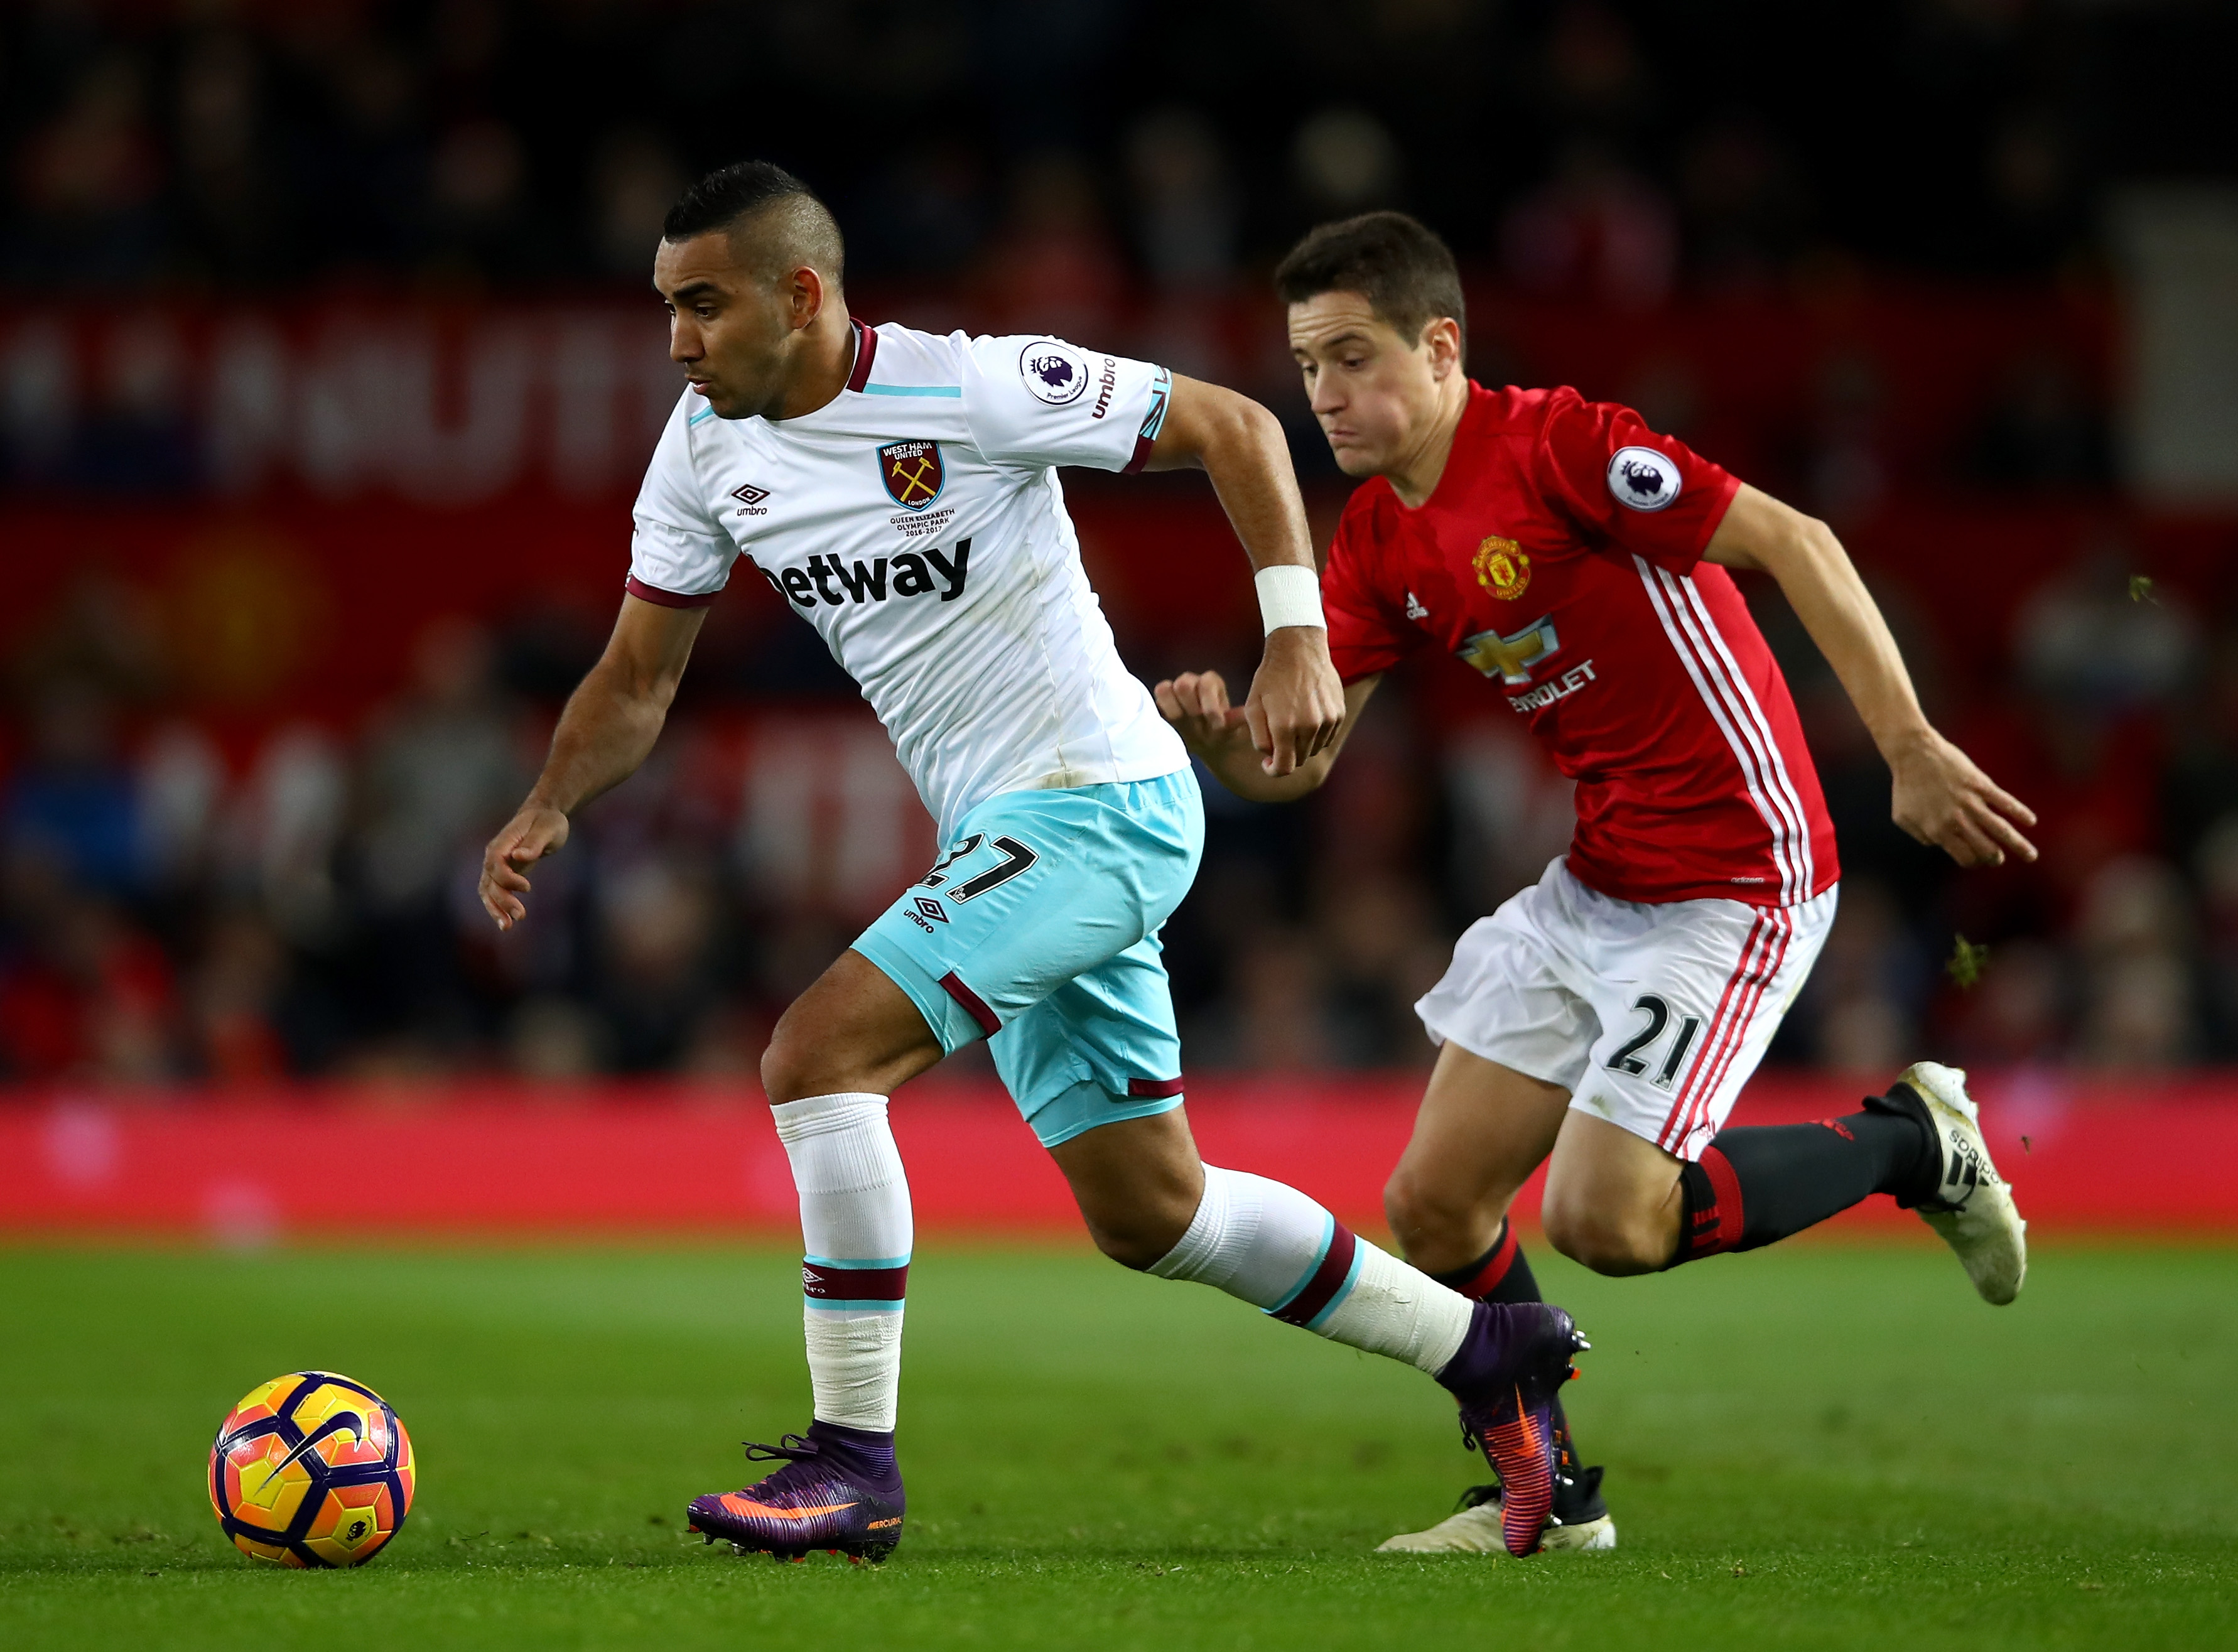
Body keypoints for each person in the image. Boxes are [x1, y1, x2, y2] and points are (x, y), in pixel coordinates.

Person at [477, 165, 1590, 1565]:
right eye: (669, 309)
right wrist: (548, 801)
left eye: (703, 304)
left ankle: (850, 1462)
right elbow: (639, 676)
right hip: (1014, 835)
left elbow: (1236, 427)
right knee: (1151, 1209)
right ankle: (1489, 1351)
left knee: (817, 1053)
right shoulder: (704, 450)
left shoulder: (975, 387)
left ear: (800, 294)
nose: (681, 341)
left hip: (1100, 803)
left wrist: (1297, 635)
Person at [1156, 211, 2033, 1557]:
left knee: (1606, 1220)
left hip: (1740, 874)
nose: (1323, 393)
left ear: (1441, 348)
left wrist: (1908, 746)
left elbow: (1798, 540)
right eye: (1305, 364)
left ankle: (1920, 1143)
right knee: (1437, 1202)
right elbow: (1305, 764)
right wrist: (1234, 747)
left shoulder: (1562, 445)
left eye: (1350, 356)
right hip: (1600, 878)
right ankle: (1550, 1490)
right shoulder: (1381, 538)